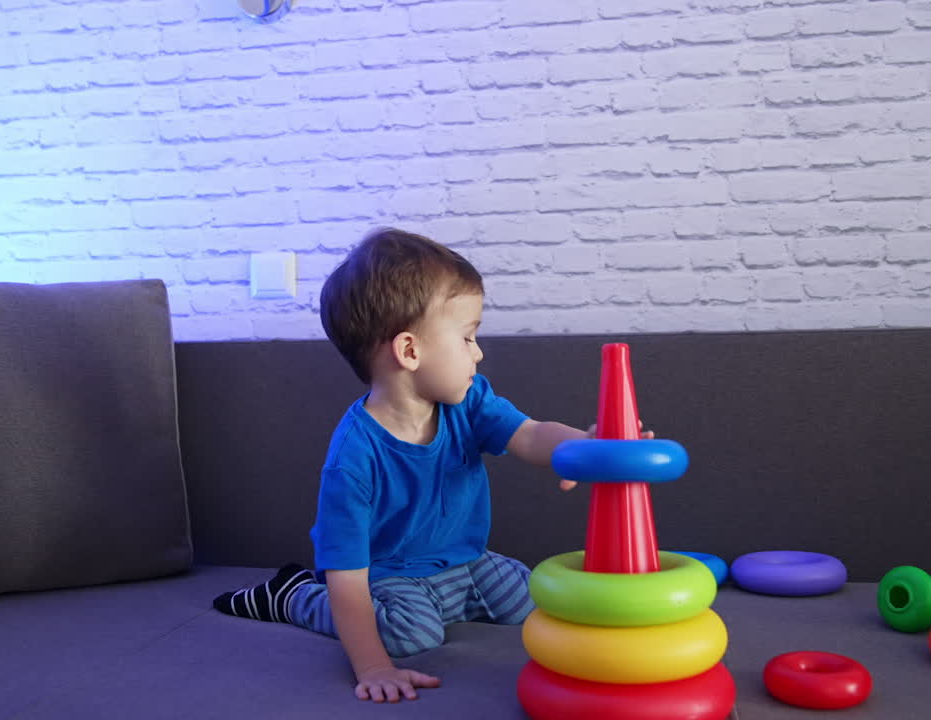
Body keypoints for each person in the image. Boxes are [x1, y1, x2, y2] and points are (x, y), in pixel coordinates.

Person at [213, 228, 651, 703]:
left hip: (464, 563)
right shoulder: (354, 457)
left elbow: (529, 434)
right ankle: (294, 596)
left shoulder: (468, 401)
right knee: (413, 636)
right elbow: (347, 573)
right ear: (409, 351)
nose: (479, 353)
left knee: (533, 595)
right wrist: (375, 666)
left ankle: (447, 601)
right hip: (389, 575)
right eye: (467, 337)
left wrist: (581, 449)